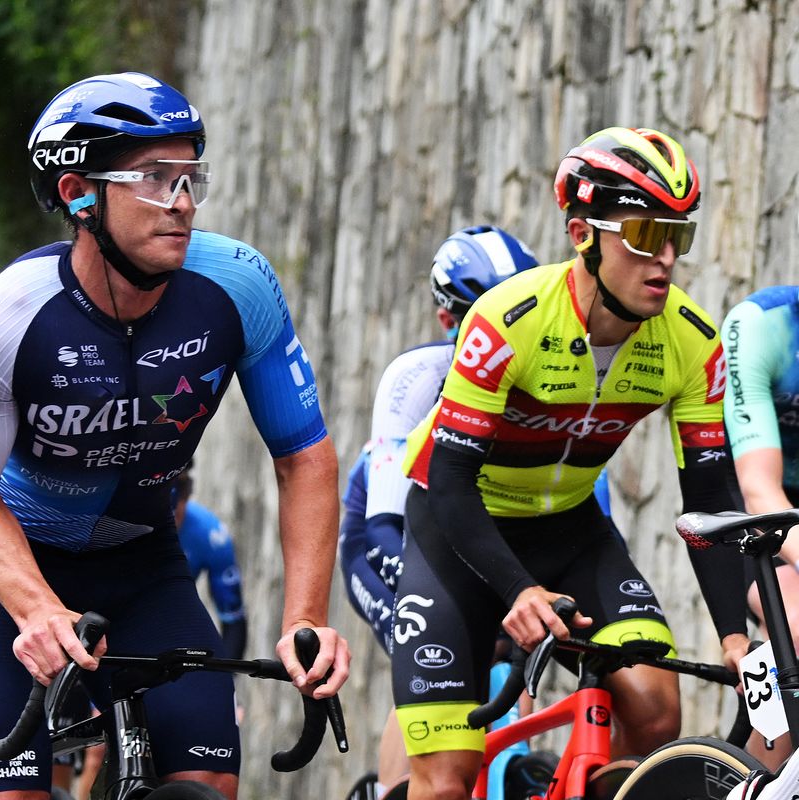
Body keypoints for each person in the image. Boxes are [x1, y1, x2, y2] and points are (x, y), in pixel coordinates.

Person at [0, 71, 349, 799]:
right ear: (78, 193)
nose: (182, 202)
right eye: (156, 179)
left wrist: (305, 619)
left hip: (142, 565)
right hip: (5, 575)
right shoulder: (4, 317)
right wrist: (34, 609)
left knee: (208, 783)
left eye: (191, 178)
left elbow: (303, 456)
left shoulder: (238, 286)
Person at [391, 128, 749, 800]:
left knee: (655, 711)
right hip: (460, 533)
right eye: (646, 234)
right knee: (444, 782)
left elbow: (708, 492)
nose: (666, 258)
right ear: (584, 232)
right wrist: (516, 589)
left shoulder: (693, 340)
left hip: (571, 531)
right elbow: (450, 482)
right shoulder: (508, 319)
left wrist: (734, 634)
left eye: (680, 236)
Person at [338, 225, 539, 796]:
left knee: (514, 650)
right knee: (433, 652)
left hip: (480, 532)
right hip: (386, 537)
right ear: (448, 320)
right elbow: (383, 530)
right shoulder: (416, 379)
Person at [722, 285, 799, 768]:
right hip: (755, 503)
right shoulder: (762, 325)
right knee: (794, 627)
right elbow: (760, 491)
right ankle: (756, 777)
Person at [172, 461, 248, 659]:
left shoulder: (211, 535)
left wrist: (224, 681)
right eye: (164, 490)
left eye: (181, 489)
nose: (173, 503)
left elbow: (233, 622)